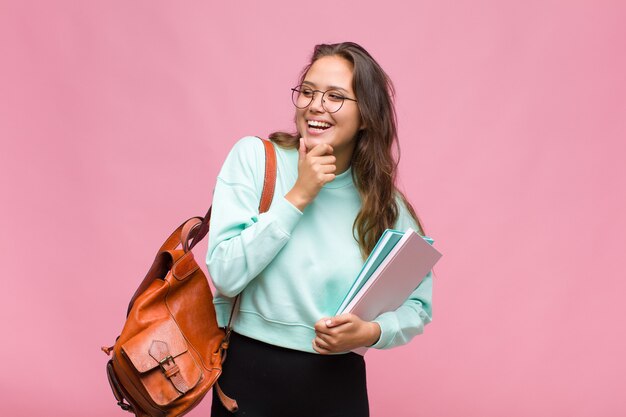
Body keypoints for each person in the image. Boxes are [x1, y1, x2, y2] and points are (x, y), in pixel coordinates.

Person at [206, 42, 433, 417]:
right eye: (308, 92)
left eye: (335, 97)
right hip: (247, 377)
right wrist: (298, 196)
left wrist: (371, 333)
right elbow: (226, 274)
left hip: (337, 384)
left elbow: (419, 305)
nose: (315, 105)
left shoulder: (381, 202)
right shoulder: (256, 160)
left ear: (366, 117)